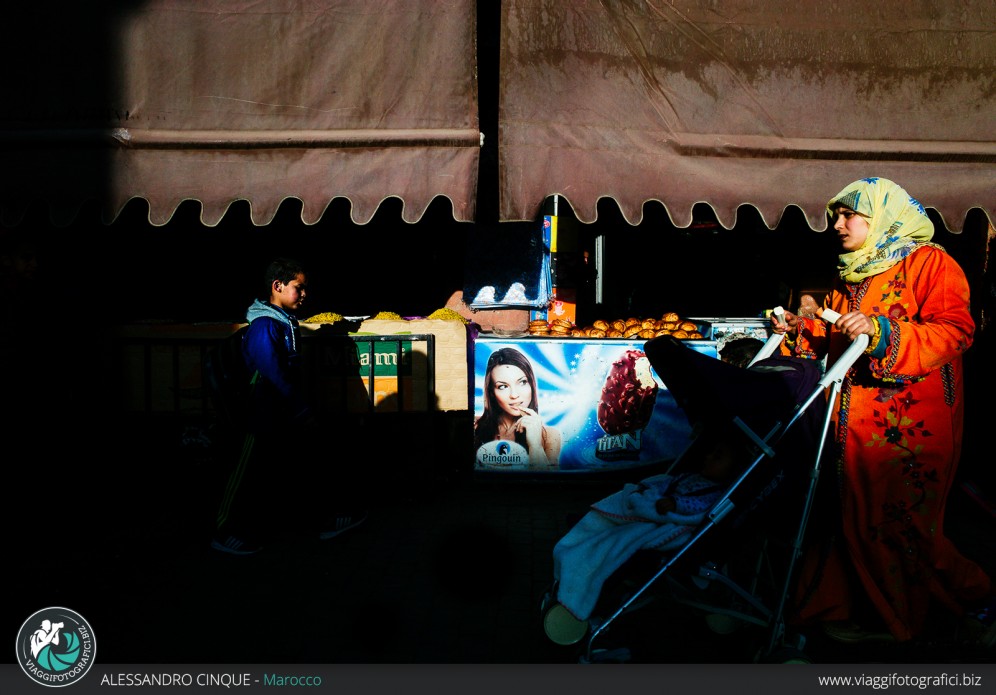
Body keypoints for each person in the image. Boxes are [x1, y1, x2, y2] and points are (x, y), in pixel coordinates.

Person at [771, 177, 994, 645]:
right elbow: (839, 339)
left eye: (849, 214)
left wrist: (885, 332)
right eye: (837, 215)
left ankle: (974, 600)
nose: (837, 225)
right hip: (851, 423)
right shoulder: (853, 272)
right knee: (853, 518)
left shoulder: (932, 263)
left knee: (904, 525)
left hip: (912, 427)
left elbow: (955, 332)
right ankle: (866, 615)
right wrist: (801, 328)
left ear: (883, 215)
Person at [211, 257, 366, 555]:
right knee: (246, 473)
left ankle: (326, 519)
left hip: (281, 414)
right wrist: (300, 409)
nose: (305, 293)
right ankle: (224, 531)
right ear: (277, 286)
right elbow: (273, 373)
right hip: (262, 415)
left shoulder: (283, 323)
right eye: (299, 287)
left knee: (294, 469)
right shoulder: (265, 326)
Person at [543, 435, 741, 643]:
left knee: (618, 548)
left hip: (665, 525)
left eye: (717, 457)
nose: (708, 457)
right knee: (610, 530)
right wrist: (646, 494)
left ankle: (590, 597)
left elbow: (697, 508)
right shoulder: (690, 477)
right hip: (650, 512)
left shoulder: (715, 494)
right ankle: (591, 538)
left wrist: (675, 504)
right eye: (711, 453)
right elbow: (664, 484)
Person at [474, 346, 562, 470]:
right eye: (503, 386)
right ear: (492, 392)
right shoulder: (474, 426)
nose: (514, 395)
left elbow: (547, 485)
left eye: (522, 382)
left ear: (531, 384)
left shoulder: (549, 435)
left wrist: (535, 446)